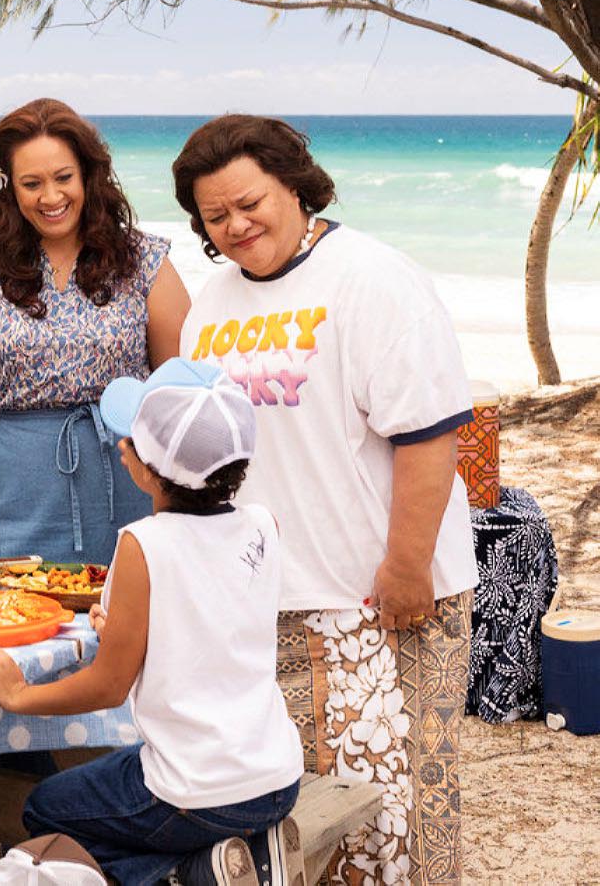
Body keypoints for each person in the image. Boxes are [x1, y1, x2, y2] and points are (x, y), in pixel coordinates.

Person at [172, 114, 477, 885]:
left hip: (381, 594)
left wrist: (406, 564)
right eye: (216, 217)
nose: (237, 226)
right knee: (301, 815)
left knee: (394, 810)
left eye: (251, 203)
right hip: (269, 594)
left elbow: (430, 434)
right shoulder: (211, 303)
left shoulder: (371, 277)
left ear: (295, 186)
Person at [0, 358, 305, 886]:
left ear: (148, 470)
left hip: (191, 789)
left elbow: (109, 687)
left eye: (131, 439)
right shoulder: (264, 524)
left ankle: (192, 868)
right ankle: (226, 856)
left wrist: (18, 695)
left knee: (44, 807)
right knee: (120, 801)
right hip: (275, 778)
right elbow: (215, 619)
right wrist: (127, 629)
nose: (121, 445)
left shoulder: (142, 543)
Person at [0, 98, 190, 564]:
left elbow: (181, 389)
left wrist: (195, 509)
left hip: (132, 484)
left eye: (63, 178)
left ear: (88, 176)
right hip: (14, 491)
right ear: (8, 188)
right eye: (32, 183)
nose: (51, 197)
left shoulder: (145, 262)